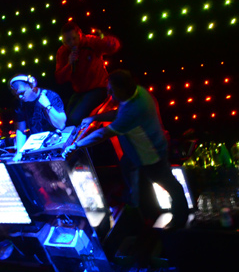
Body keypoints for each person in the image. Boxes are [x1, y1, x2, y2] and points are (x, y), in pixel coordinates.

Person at [62, 70, 189, 229]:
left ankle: (179, 222)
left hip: (151, 155)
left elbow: (103, 134)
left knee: (169, 185)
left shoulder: (134, 109)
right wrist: (95, 117)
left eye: (112, 90)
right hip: (137, 152)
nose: (109, 93)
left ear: (122, 89)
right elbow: (119, 113)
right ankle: (142, 212)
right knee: (134, 175)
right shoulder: (138, 92)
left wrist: (76, 145)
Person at [54, 22, 120, 126]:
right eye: (68, 41)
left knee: (75, 118)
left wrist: (108, 40)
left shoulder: (90, 42)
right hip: (79, 92)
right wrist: (68, 64)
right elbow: (59, 78)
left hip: (98, 88)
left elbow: (113, 46)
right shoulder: (62, 52)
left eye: (74, 38)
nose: (72, 43)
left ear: (79, 34)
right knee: (65, 120)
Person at [9, 74, 67, 160]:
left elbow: (61, 125)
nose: (20, 97)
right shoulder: (19, 103)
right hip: (38, 146)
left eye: (22, 93)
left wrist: (47, 105)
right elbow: (21, 129)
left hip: (57, 142)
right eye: (16, 94)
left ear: (32, 86)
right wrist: (19, 153)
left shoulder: (50, 96)